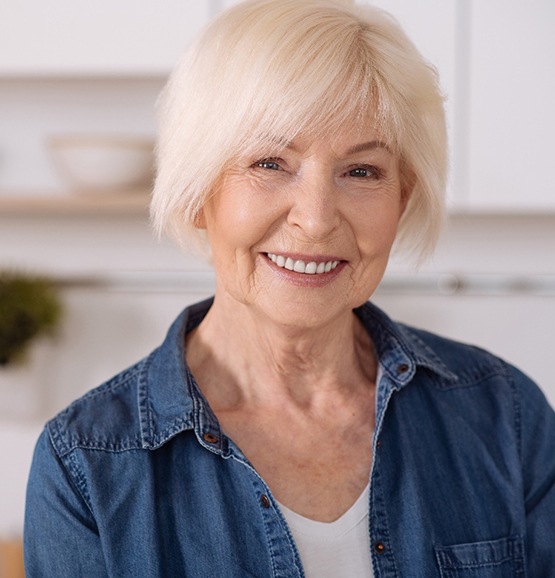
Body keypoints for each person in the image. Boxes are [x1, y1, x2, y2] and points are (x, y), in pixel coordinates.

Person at [24, 0, 555, 575]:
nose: (317, 218)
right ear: (199, 191)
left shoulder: (506, 414)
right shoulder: (86, 464)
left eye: (362, 171)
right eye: (271, 163)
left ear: (402, 199)